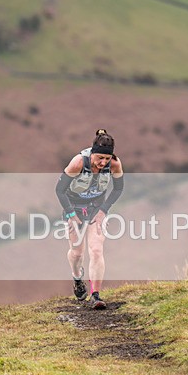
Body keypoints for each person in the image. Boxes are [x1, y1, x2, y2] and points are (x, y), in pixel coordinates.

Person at [55, 129, 125, 309]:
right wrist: (70, 214)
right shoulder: (78, 162)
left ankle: (96, 295)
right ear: (92, 153)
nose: (103, 163)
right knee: (77, 252)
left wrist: (103, 211)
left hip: (96, 208)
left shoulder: (115, 165)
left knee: (96, 250)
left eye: (107, 159)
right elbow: (59, 190)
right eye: (100, 158)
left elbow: (118, 189)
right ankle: (77, 278)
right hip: (74, 207)